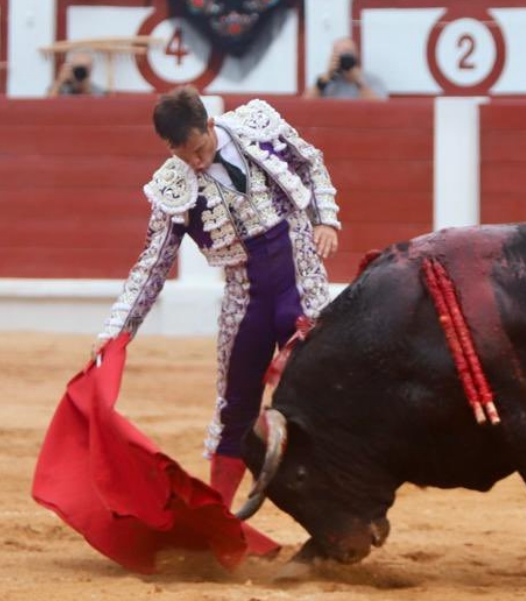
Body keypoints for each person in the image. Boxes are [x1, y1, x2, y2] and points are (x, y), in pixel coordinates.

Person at [92, 86, 340, 507]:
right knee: (234, 409)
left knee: (318, 398)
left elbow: (310, 161)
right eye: (183, 155)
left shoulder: (256, 124)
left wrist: (327, 219)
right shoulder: (172, 187)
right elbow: (152, 265)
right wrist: (117, 329)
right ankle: (218, 519)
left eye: (200, 149)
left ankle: (338, 509)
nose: (196, 162)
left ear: (209, 124)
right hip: (246, 298)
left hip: (300, 276)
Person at [303, 37, 388, 100]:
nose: (344, 57)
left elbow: (379, 108)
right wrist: (326, 77)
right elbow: (305, 105)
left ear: (356, 55)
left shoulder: (372, 80)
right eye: (340, 53)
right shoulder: (327, 80)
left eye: (348, 52)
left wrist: (358, 81)